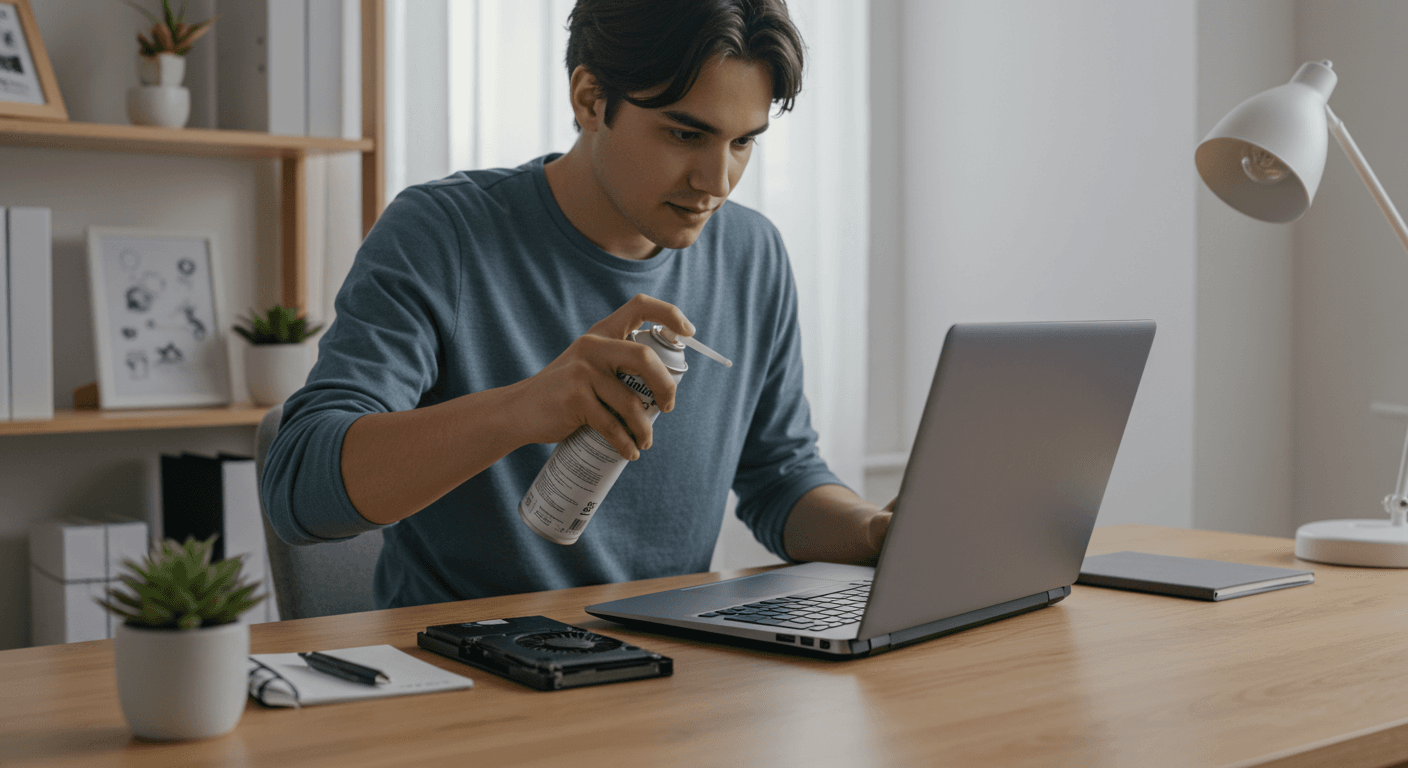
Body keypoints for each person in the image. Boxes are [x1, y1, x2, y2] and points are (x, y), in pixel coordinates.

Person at [262, 0, 892, 609]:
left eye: (742, 143)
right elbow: (298, 489)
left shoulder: (752, 254)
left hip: (667, 664)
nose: (717, 182)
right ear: (591, 98)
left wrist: (875, 535)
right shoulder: (443, 234)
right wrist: (521, 408)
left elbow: (779, 477)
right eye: (684, 133)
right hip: (469, 675)